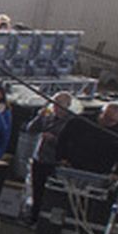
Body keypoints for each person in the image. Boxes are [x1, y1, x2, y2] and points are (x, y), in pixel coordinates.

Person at [25, 91, 73, 223]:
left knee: (50, 192)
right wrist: (39, 117)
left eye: (59, 105)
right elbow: (30, 129)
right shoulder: (48, 117)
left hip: (54, 160)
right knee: (36, 189)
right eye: (54, 104)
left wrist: (54, 139)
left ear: (67, 106)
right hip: (39, 157)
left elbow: (70, 143)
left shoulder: (71, 122)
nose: (55, 108)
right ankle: (33, 216)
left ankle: (45, 219)